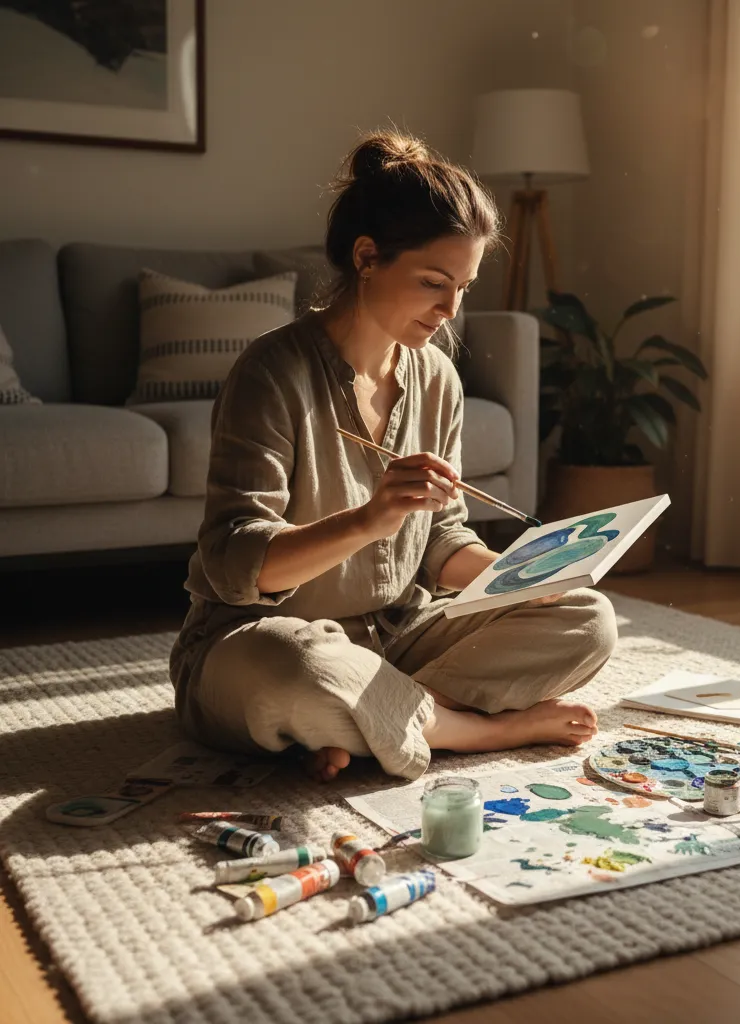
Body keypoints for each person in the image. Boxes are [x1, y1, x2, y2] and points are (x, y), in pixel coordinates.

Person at [169, 129, 618, 782]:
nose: (449, 309)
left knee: (588, 620)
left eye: (464, 286)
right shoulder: (271, 372)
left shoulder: (437, 378)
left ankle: (373, 720)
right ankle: (472, 730)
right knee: (304, 673)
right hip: (262, 639)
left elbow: (442, 539)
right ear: (367, 257)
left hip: (397, 640)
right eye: (434, 282)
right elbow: (237, 563)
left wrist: (524, 578)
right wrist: (369, 519)